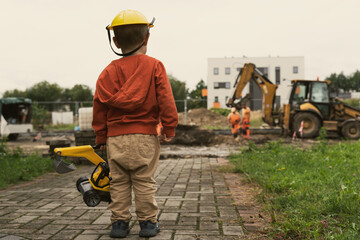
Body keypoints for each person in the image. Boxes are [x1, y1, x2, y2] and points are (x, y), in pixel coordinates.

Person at [92, 10, 178, 238]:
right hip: (144, 136)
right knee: (144, 180)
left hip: (115, 139)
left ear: (115, 41)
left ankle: (119, 224)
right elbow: (166, 99)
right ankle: (148, 223)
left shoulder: (107, 72)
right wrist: (169, 127)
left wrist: (101, 137)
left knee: (118, 182)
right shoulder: (155, 66)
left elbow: (99, 107)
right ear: (147, 38)